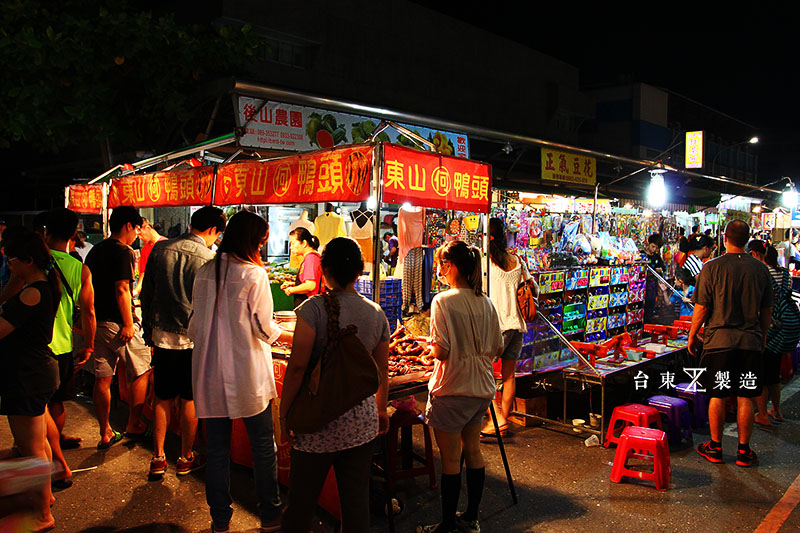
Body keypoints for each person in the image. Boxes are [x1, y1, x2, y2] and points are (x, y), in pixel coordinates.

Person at [188, 211, 291, 533]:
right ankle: (271, 514)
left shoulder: (205, 271)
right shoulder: (253, 274)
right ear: (253, 241)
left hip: (208, 371)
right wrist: (296, 335)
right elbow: (264, 328)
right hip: (246, 374)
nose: (263, 247)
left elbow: (194, 327)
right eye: (262, 241)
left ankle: (220, 519)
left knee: (217, 449)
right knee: (263, 445)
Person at [280, 237, 390, 533]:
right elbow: (381, 369)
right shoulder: (376, 313)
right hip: (361, 424)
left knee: (301, 504)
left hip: (317, 422)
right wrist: (381, 411)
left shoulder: (312, 309)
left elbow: (297, 367)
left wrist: (283, 415)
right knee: (356, 505)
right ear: (358, 272)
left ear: (325, 270)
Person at [417, 241, 503, 533]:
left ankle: (447, 526)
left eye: (442, 264)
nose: (440, 270)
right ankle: (471, 518)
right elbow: (497, 348)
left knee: (451, 459)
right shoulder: (486, 302)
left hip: (453, 387)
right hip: (482, 388)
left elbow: (441, 350)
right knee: (474, 451)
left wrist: (431, 349)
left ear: (451, 266)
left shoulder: (443, 300)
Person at [140, 206, 226, 478]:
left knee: (163, 397)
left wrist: (147, 329)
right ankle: (186, 457)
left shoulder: (160, 249)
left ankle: (158, 457)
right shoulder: (208, 257)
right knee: (190, 399)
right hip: (192, 339)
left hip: (162, 335)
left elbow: (147, 294)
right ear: (212, 230)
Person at [689, 220, 772, 468]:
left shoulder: (711, 267)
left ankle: (715, 447)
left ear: (725, 238)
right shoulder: (760, 269)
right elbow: (767, 309)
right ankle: (744, 451)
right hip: (750, 341)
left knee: (717, 394)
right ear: (747, 240)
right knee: (746, 396)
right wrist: (763, 335)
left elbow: (702, 307)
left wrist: (693, 334)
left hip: (719, 341)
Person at [0, 228, 61, 531]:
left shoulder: (33, 292)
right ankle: (44, 500)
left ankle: (41, 515)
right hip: (35, 372)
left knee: (32, 450)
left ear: (26, 260)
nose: (8, 265)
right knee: (37, 444)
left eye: (10, 260)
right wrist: (13, 280)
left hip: (27, 375)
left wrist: (13, 284)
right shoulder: (38, 285)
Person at [84, 206, 152, 448]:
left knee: (103, 378)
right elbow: (122, 288)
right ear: (127, 226)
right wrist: (128, 323)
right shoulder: (124, 252)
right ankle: (134, 423)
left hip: (98, 323)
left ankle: (105, 431)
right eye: (136, 229)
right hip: (117, 322)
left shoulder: (95, 250)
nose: (136, 234)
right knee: (142, 369)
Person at [43, 209, 97, 469]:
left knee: (35, 405)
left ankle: (45, 450)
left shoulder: (34, 261)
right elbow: (88, 311)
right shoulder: (79, 268)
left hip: (35, 345)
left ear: (45, 232)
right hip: (62, 344)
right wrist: (88, 344)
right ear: (74, 235)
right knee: (56, 402)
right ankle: (55, 447)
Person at [481, 217, 534, 438]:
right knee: (509, 375)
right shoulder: (518, 261)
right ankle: (503, 418)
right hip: (517, 325)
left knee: (484, 373)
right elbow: (534, 289)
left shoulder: (485, 263)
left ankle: (495, 419)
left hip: (497, 326)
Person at [751, 244, 793, 425]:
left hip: (764, 329)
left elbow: (759, 302)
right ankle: (777, 410)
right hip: (782, 329)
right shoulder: (785, 274)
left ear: (758, 255)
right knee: (773, 374)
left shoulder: (761, 274)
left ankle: (762, 414)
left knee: (760, 374)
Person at [281, 227, 323, 307]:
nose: (290, 247)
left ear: (304, 243)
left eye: (293, 243)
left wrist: (291, 290)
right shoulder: (310, 257)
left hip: (310, 306)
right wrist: (293, 284)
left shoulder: (311, 258)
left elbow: (310, 286)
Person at [133, 218, 166, 296]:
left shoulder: (166, 245)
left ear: (147, 228)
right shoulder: (144, 250)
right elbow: (143, 274)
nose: (140, 238)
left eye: (140, 234)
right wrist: (136, 291)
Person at [644, 233, 666, 323]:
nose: (654, 250)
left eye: (657, 248)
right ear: (648, 243)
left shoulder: (657, 257)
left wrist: (660, 270)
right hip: (643, 286)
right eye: (653, 246)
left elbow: (663, 268)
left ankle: (648, 325)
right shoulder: (642, 255)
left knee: (650, 307)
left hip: (653, 287)